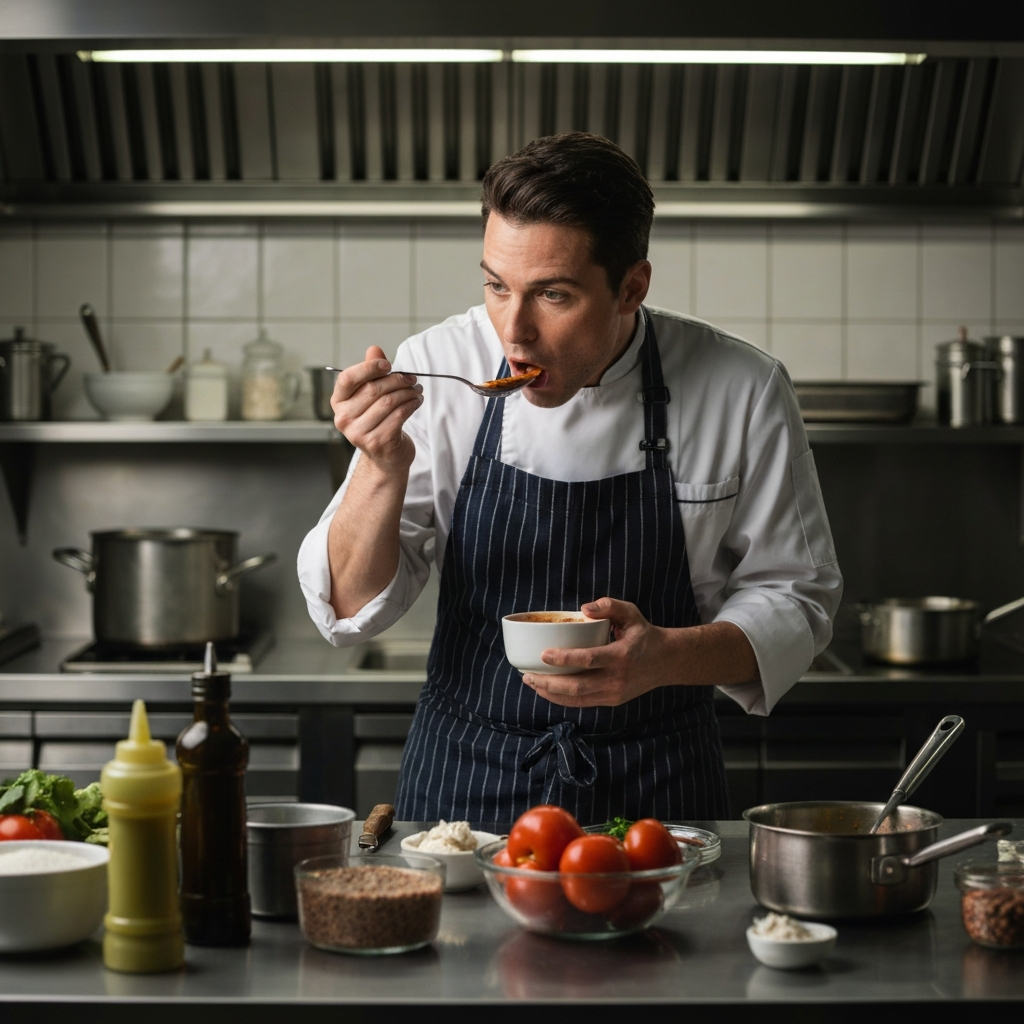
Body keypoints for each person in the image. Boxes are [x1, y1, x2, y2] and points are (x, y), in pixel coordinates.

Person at [298, 132, 842, 825]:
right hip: (466, 783)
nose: (514, 333)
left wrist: (664, 658)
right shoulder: (438, 362)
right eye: (497, 286)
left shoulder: (741, 386)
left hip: (660, 786)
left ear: (631, 287)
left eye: (553, 295)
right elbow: (346, 606)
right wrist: (381, 468)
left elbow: (799, 598)